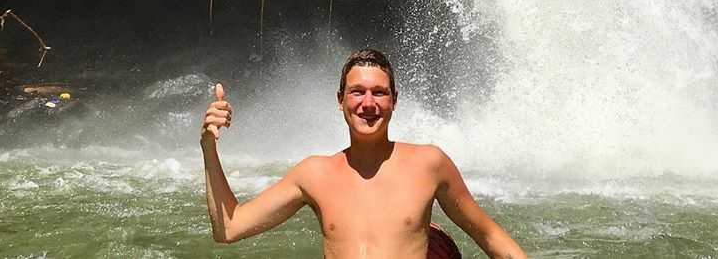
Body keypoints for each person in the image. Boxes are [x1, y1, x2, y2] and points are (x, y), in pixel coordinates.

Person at [201, 48, 529, 259]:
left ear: (394, 100)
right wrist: (208, 147)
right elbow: (229, 227)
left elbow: (490, 237)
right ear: (340, 99)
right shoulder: (314, 174)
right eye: (357, 92)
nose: (368, 103)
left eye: (379, 93)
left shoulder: (429, 164)